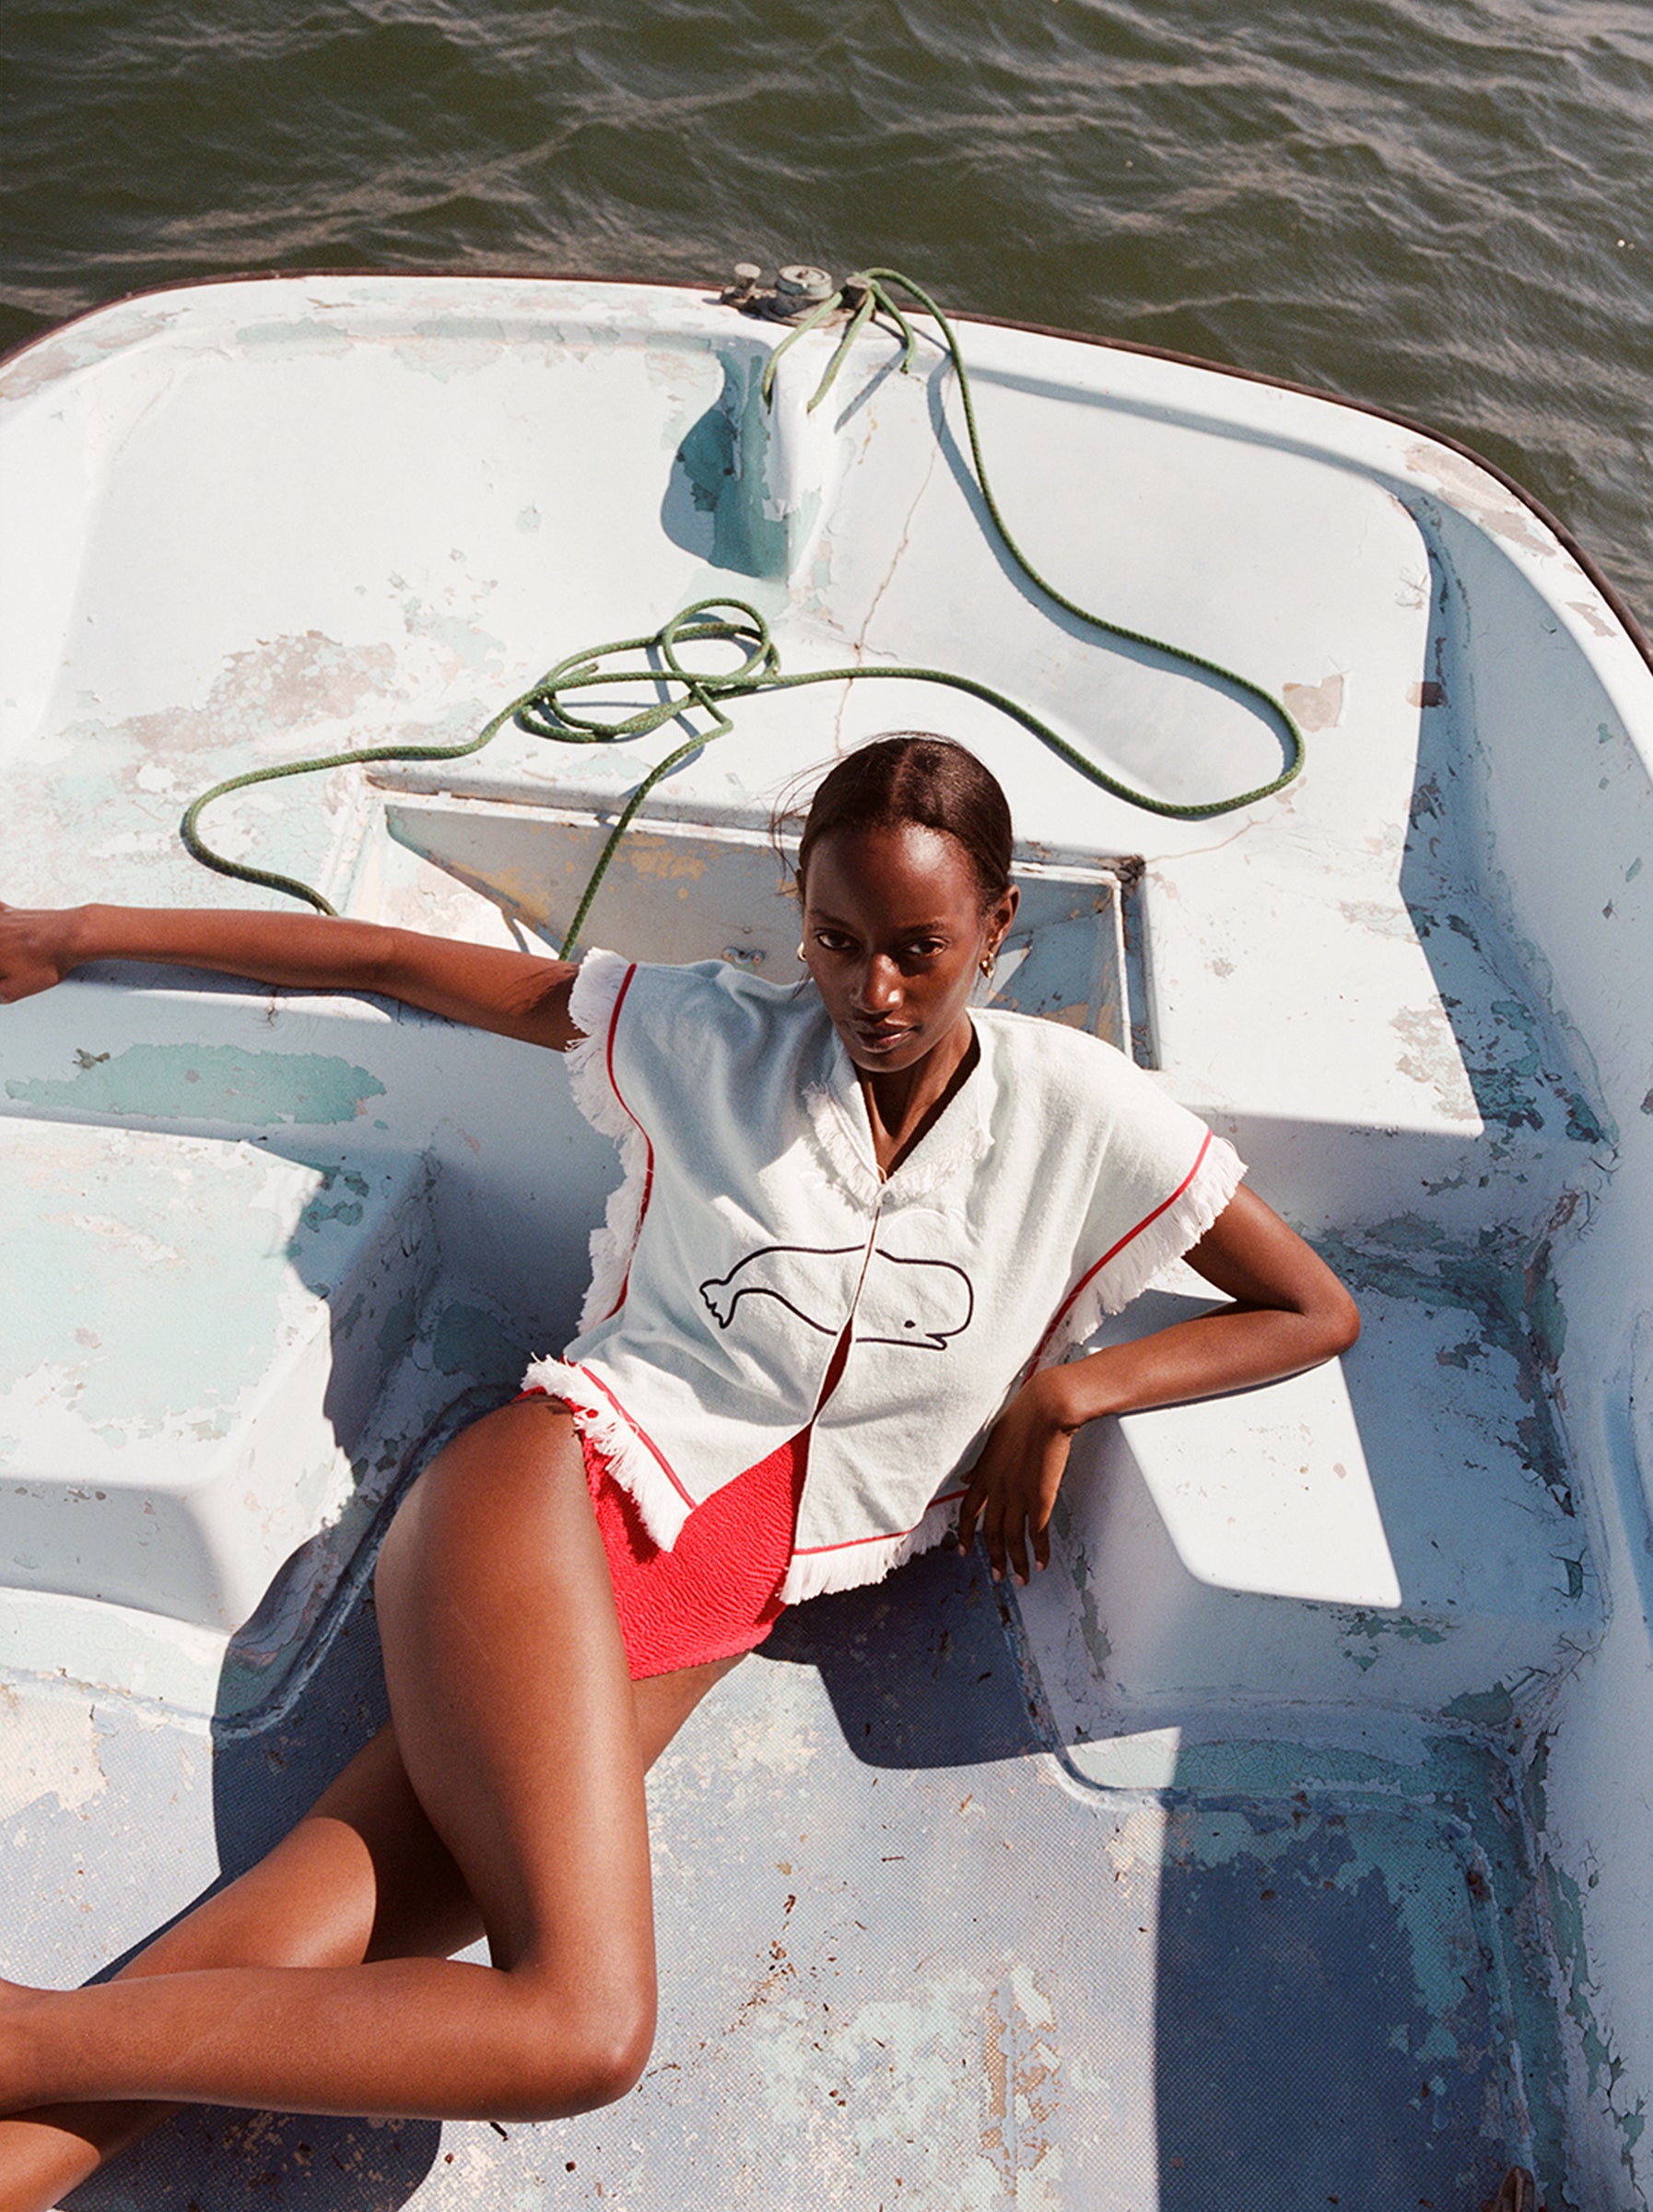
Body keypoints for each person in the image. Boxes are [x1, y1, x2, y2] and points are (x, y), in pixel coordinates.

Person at [0, 735, 1358, 2207]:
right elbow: (396, 962)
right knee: (581, 2032)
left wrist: (1076, 1390)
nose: (875, 994)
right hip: (548, 1505)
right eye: (838, 943)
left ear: (997, 925)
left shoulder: (1081, 1111)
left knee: (279, 1945)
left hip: (700, 1611)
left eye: (919, 949)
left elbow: (1310, 1308)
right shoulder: (707, 1033)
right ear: (799, 915)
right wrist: (69, 937)